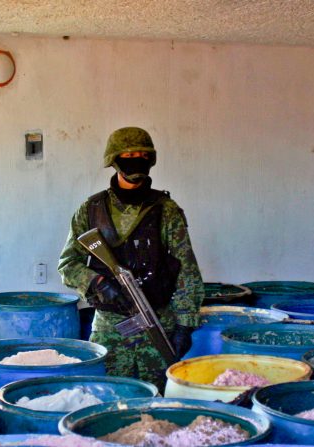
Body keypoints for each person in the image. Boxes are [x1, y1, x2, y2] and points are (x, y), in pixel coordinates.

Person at [58, 126, 204, 391]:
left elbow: (186, 270)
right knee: (108, 396)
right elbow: (68, 264)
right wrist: (98, 282)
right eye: (128, 154)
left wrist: (185, 325)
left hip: (157, 322)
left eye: (141, 154)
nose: (135, 158)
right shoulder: (90, 210)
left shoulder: (166, 211)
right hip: (110, 328)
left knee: (158, 400)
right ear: (114, 160)